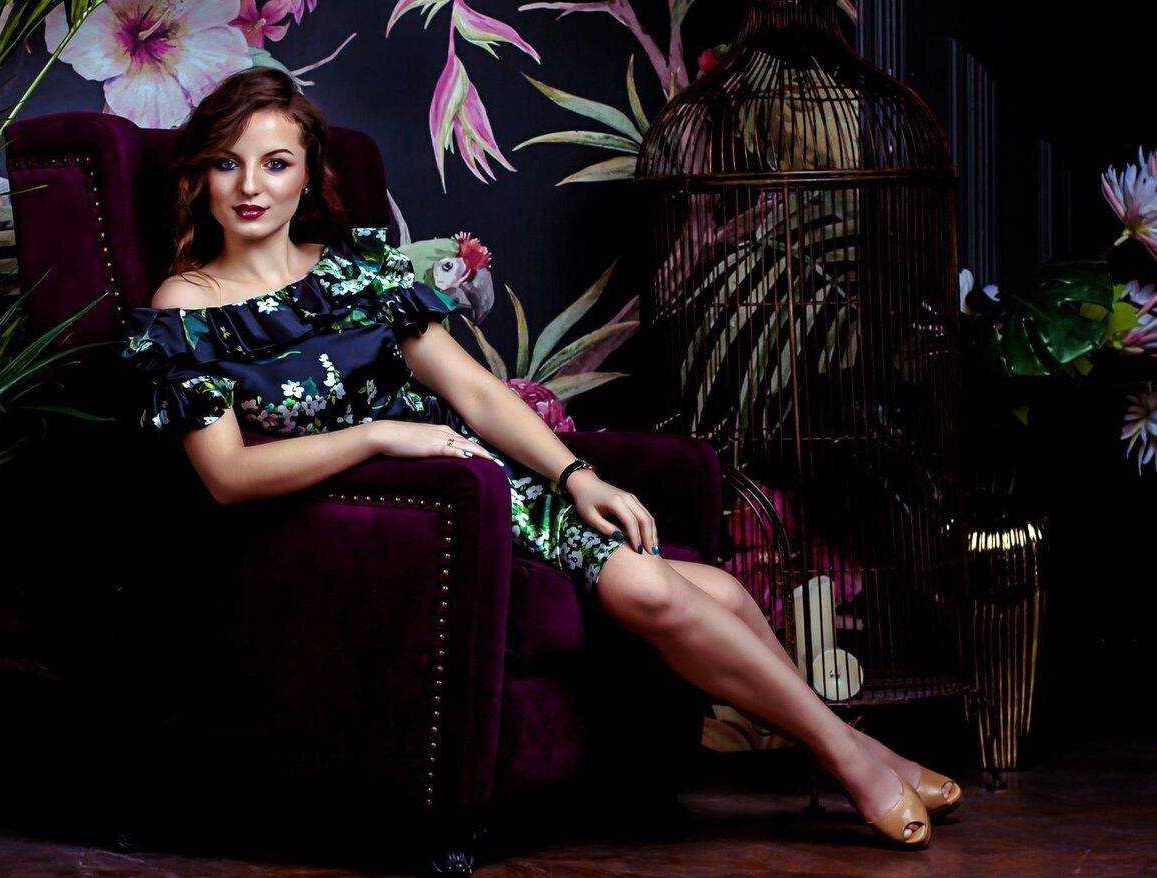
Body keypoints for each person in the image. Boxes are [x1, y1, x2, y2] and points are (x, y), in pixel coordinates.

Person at [123, 67, 959, 849]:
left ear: (308, 174)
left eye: (275, 163)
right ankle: (851, 758)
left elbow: (478, 393)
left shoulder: (359, 273)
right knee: (653, 587)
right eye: (227, 164)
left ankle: (858, 751)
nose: (251, 186)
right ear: (201, 176)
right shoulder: (186, 306)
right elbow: (227, 476)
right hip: (405, 519)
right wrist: (380, 436)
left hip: (487, 486)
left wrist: (576, 474)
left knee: (725, 590)